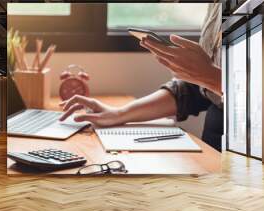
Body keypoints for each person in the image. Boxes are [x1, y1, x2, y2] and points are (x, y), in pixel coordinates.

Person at [59, 4, 223, 151]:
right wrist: (119, 114)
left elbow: (212, 80)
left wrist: (210, 77)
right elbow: (196, 91)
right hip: (214, 145)